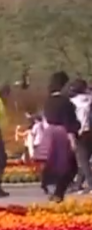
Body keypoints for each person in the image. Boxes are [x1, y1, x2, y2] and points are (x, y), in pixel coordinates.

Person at [40, 71, 80, 202]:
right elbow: (69, 122)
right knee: (70, 165)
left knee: (53, 163)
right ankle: (58, 192)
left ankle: (50, 187)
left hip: (50, 133)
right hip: (62, 134)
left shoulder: (48, 101)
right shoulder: (65, 102)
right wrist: (72, 139)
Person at [69, 79, 92, 193]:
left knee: (83, 160)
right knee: (85, 159)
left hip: (80, 132)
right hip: (89, 131)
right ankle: (78, 184)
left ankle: (90, 183)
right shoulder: (89, 99)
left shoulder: (73, 102)